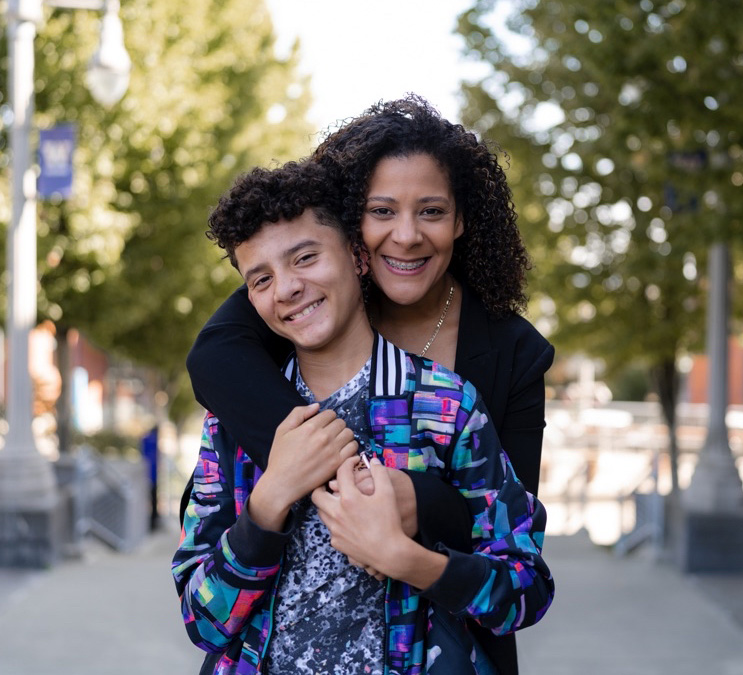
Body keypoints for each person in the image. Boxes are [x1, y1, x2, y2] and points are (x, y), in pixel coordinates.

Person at [185, 95, 554, 673]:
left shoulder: (460, 398)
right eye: (383, 210)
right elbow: (201, 615)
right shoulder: (249, 378)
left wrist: (405, 547)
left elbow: (520, 575)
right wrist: (272, 494)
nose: (405, 236)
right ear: (360, 233)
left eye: (430, 210)